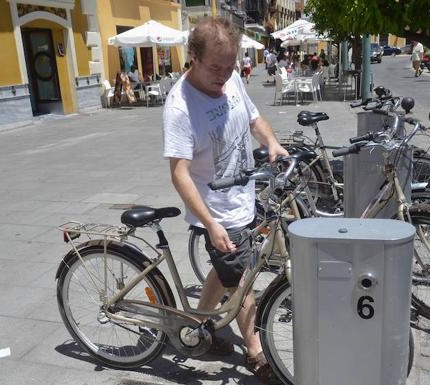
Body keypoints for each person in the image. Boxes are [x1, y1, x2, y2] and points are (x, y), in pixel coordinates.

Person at [162, 17, 287, 384]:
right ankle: (255, 351)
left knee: (225, 269)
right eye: (216, 67)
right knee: (241, 280)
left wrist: (272, 142)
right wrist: (210, 223)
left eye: (230, 66)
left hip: (243, 199)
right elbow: (179, 173)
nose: (224, 75)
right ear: (193, 57)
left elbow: (253, 118)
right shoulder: (180, 107)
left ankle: (198, 326)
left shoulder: (231, 78)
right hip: (214, 210)